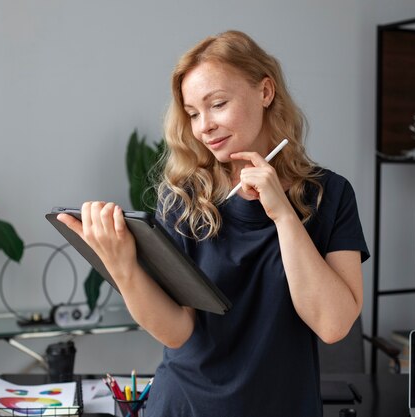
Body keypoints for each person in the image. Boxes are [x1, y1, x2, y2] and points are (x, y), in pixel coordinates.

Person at [58, 30, 369, 417]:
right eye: (192, 113)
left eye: (217, 104)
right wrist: (122, 268)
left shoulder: (331, 195)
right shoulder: (184, 198)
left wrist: (283, 215)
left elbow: (333, 324)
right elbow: (178, 332)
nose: (203, 126)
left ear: (265, 92)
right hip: (184, 406)